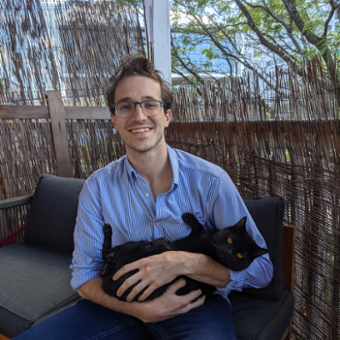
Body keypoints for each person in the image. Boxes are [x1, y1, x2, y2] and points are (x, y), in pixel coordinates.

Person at [13, 56, 273, 340]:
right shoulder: (98, 186)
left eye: (150, 104)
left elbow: (261, 271)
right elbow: (84, 275)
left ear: (167, 116)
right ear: (114, 119)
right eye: (126, 106)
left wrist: (183, 262)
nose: (139, 116)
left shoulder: (211, 181)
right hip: (119, 300)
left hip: (195, 303)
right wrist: (141, 311)